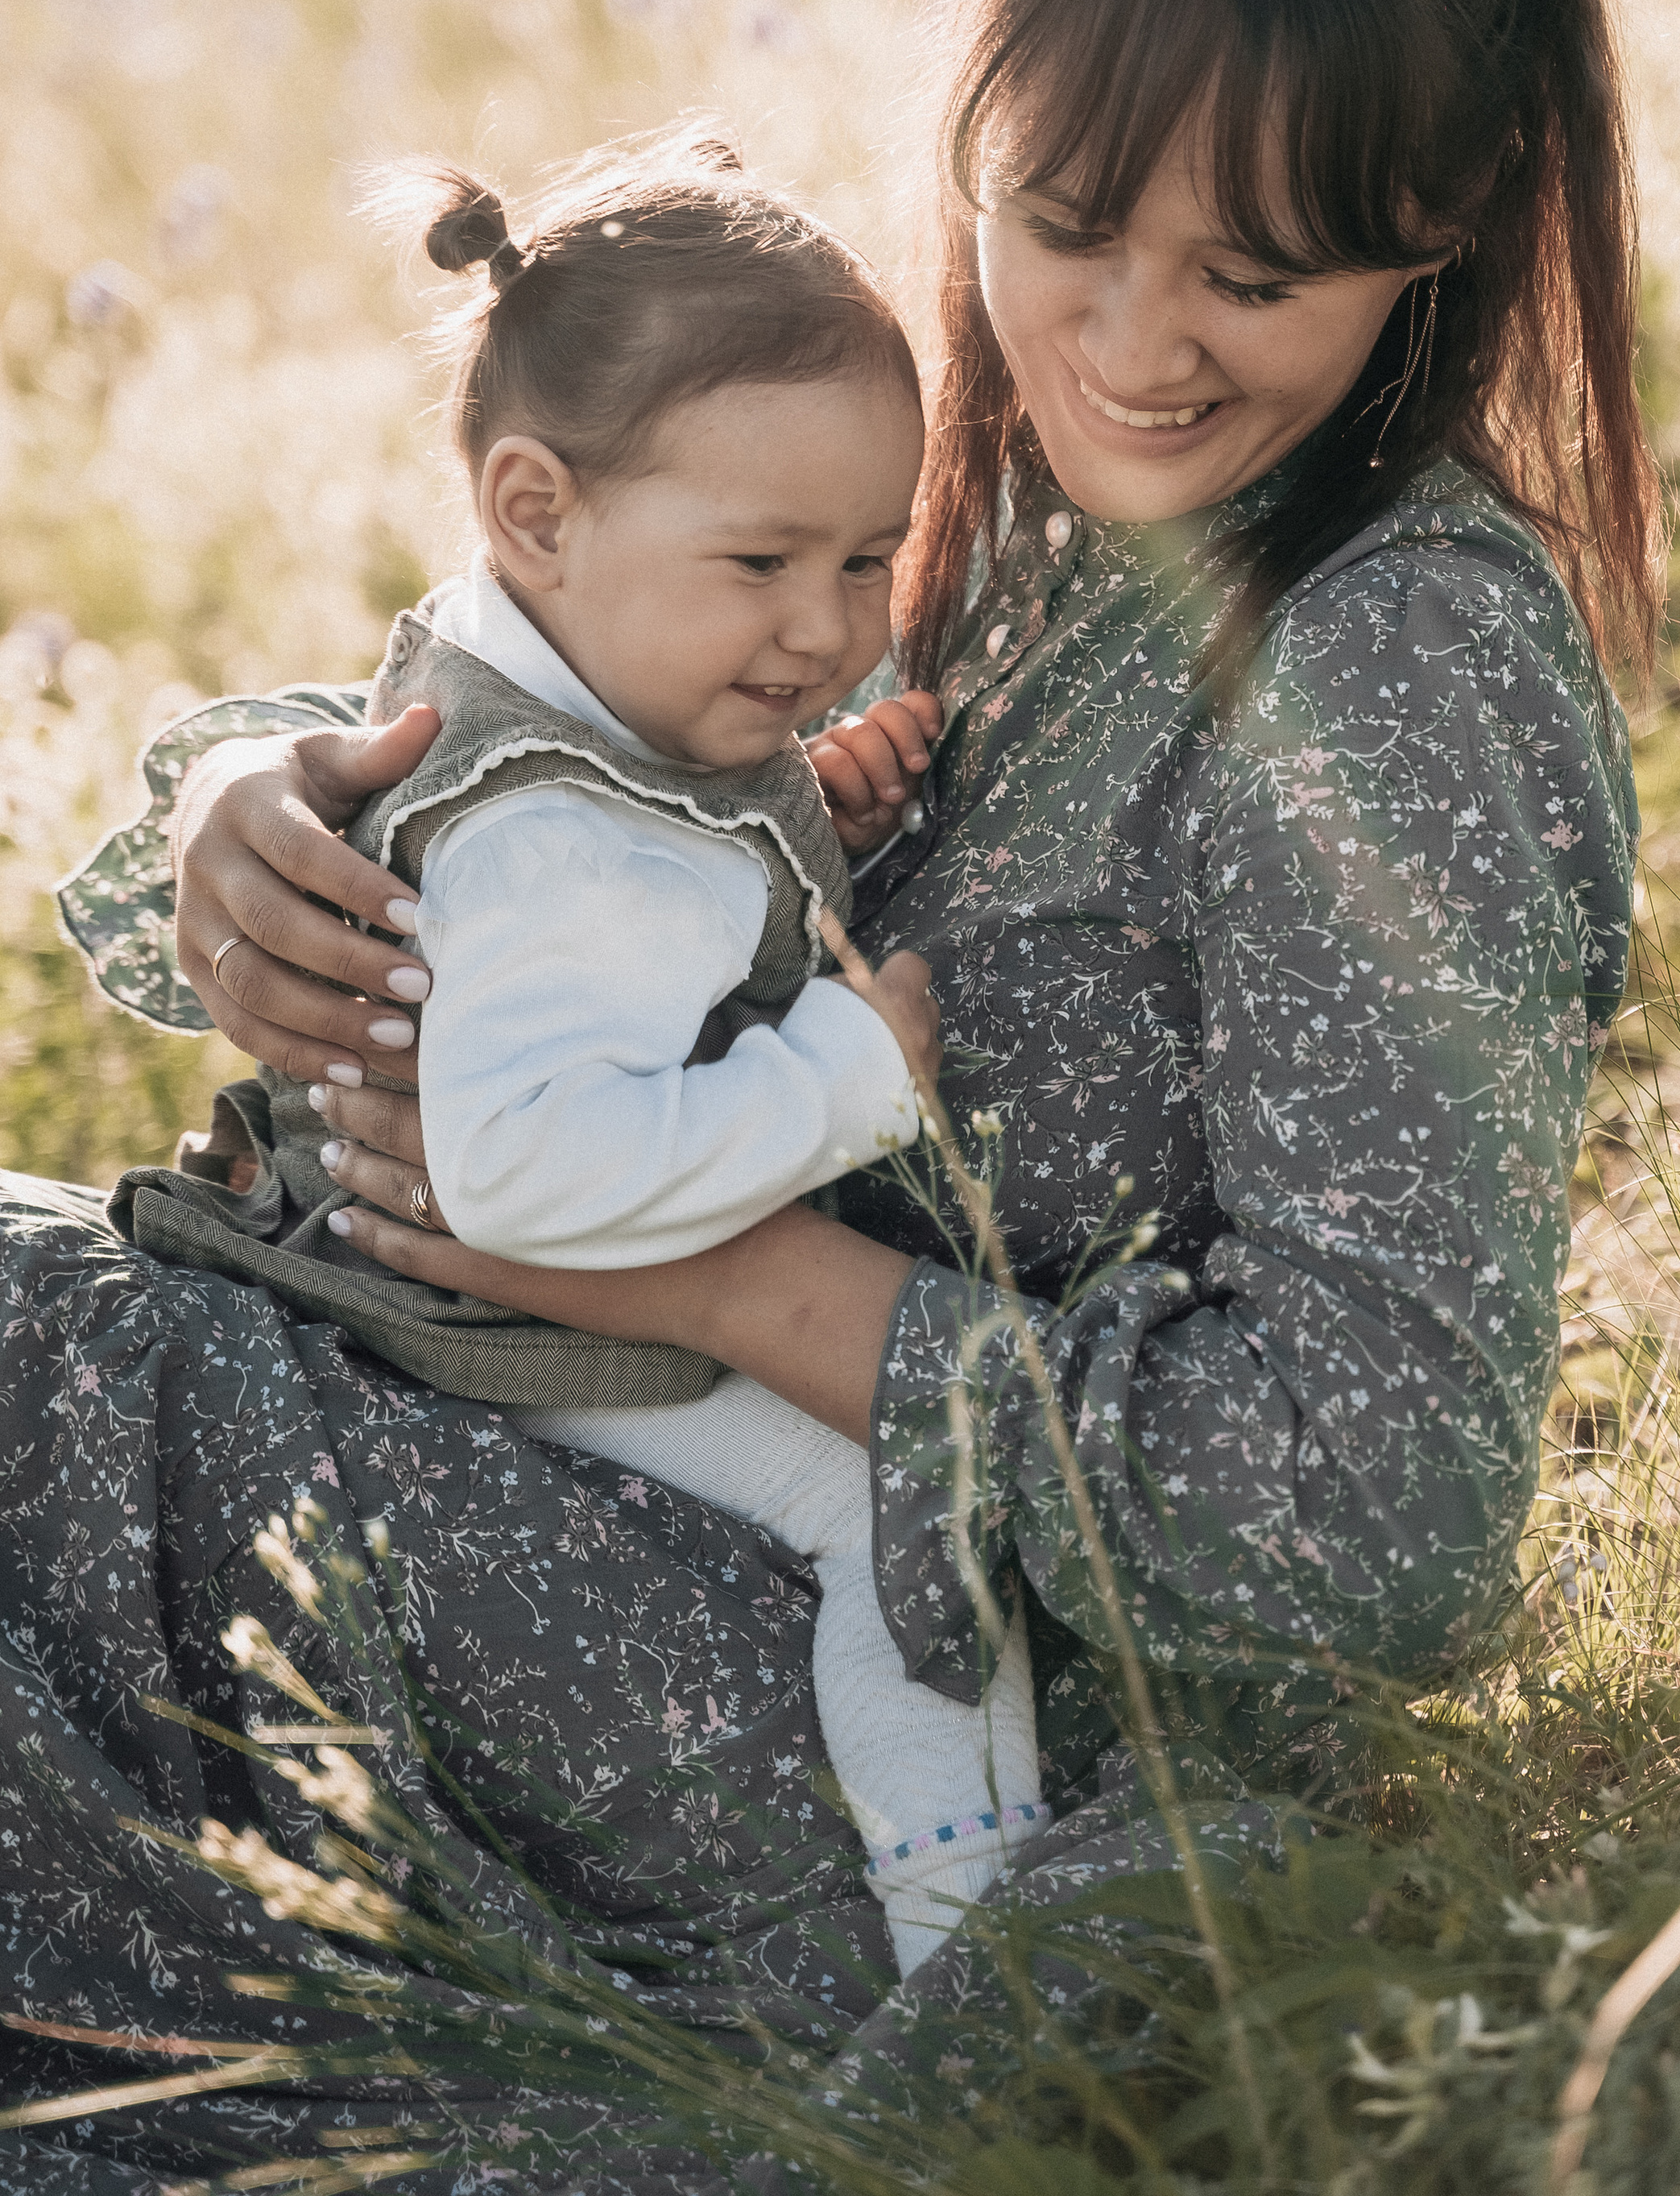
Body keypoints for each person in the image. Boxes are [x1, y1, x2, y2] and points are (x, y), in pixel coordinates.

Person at [9, 0, 1656, 2196]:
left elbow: (1376, 1525)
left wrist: (703, 1278)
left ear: (1451, 209)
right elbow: (617, 761)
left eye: (1250, 270)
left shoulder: (1395, 668)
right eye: (1062, 222)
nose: (1133, 340)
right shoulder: (975, 518)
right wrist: (248, 829)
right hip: (577, 1479)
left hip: (870, 1712)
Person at [112, 131, 1042, 1979]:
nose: (831, 627)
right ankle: (977, 1957)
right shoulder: (564, 846)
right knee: (907, 1515)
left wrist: (795, 797)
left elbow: (673, 874)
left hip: (414, 1273)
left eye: (867, 559)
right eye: (763, 561)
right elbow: (534, 1171)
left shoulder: (559, 679)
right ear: (533, 511)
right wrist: (852, 1076)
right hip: (490, 1324)